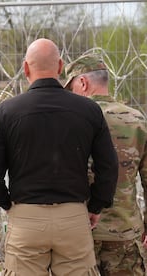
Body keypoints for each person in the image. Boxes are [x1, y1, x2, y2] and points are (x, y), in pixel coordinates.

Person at [0, 38, 118, 275]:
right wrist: (96, 205)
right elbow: (108, 166)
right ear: (61, 66)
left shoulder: (6, 112)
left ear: (25, 68)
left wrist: (5, 202)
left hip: (26, 217)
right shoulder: (89, 110)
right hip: (73, 216)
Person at [64, 53, 147, 275]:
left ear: (82, 82)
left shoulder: (70, 121)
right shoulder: (137, 120)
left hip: (79, 233)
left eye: (70, 86)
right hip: (125, 232)